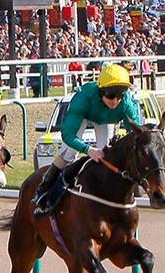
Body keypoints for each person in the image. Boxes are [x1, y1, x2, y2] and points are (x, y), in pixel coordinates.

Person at [32, 63, 145, 217]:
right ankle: (44, 190)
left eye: (120, 95)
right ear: (101, 91)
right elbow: (68, 135)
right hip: (86, 114)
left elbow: (139, 134)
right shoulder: (82, 99)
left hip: (105, 121)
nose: (115, 101)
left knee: (106, 153)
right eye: (111, 95)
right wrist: (88, 150)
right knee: (68, 152)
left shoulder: (127, 104)